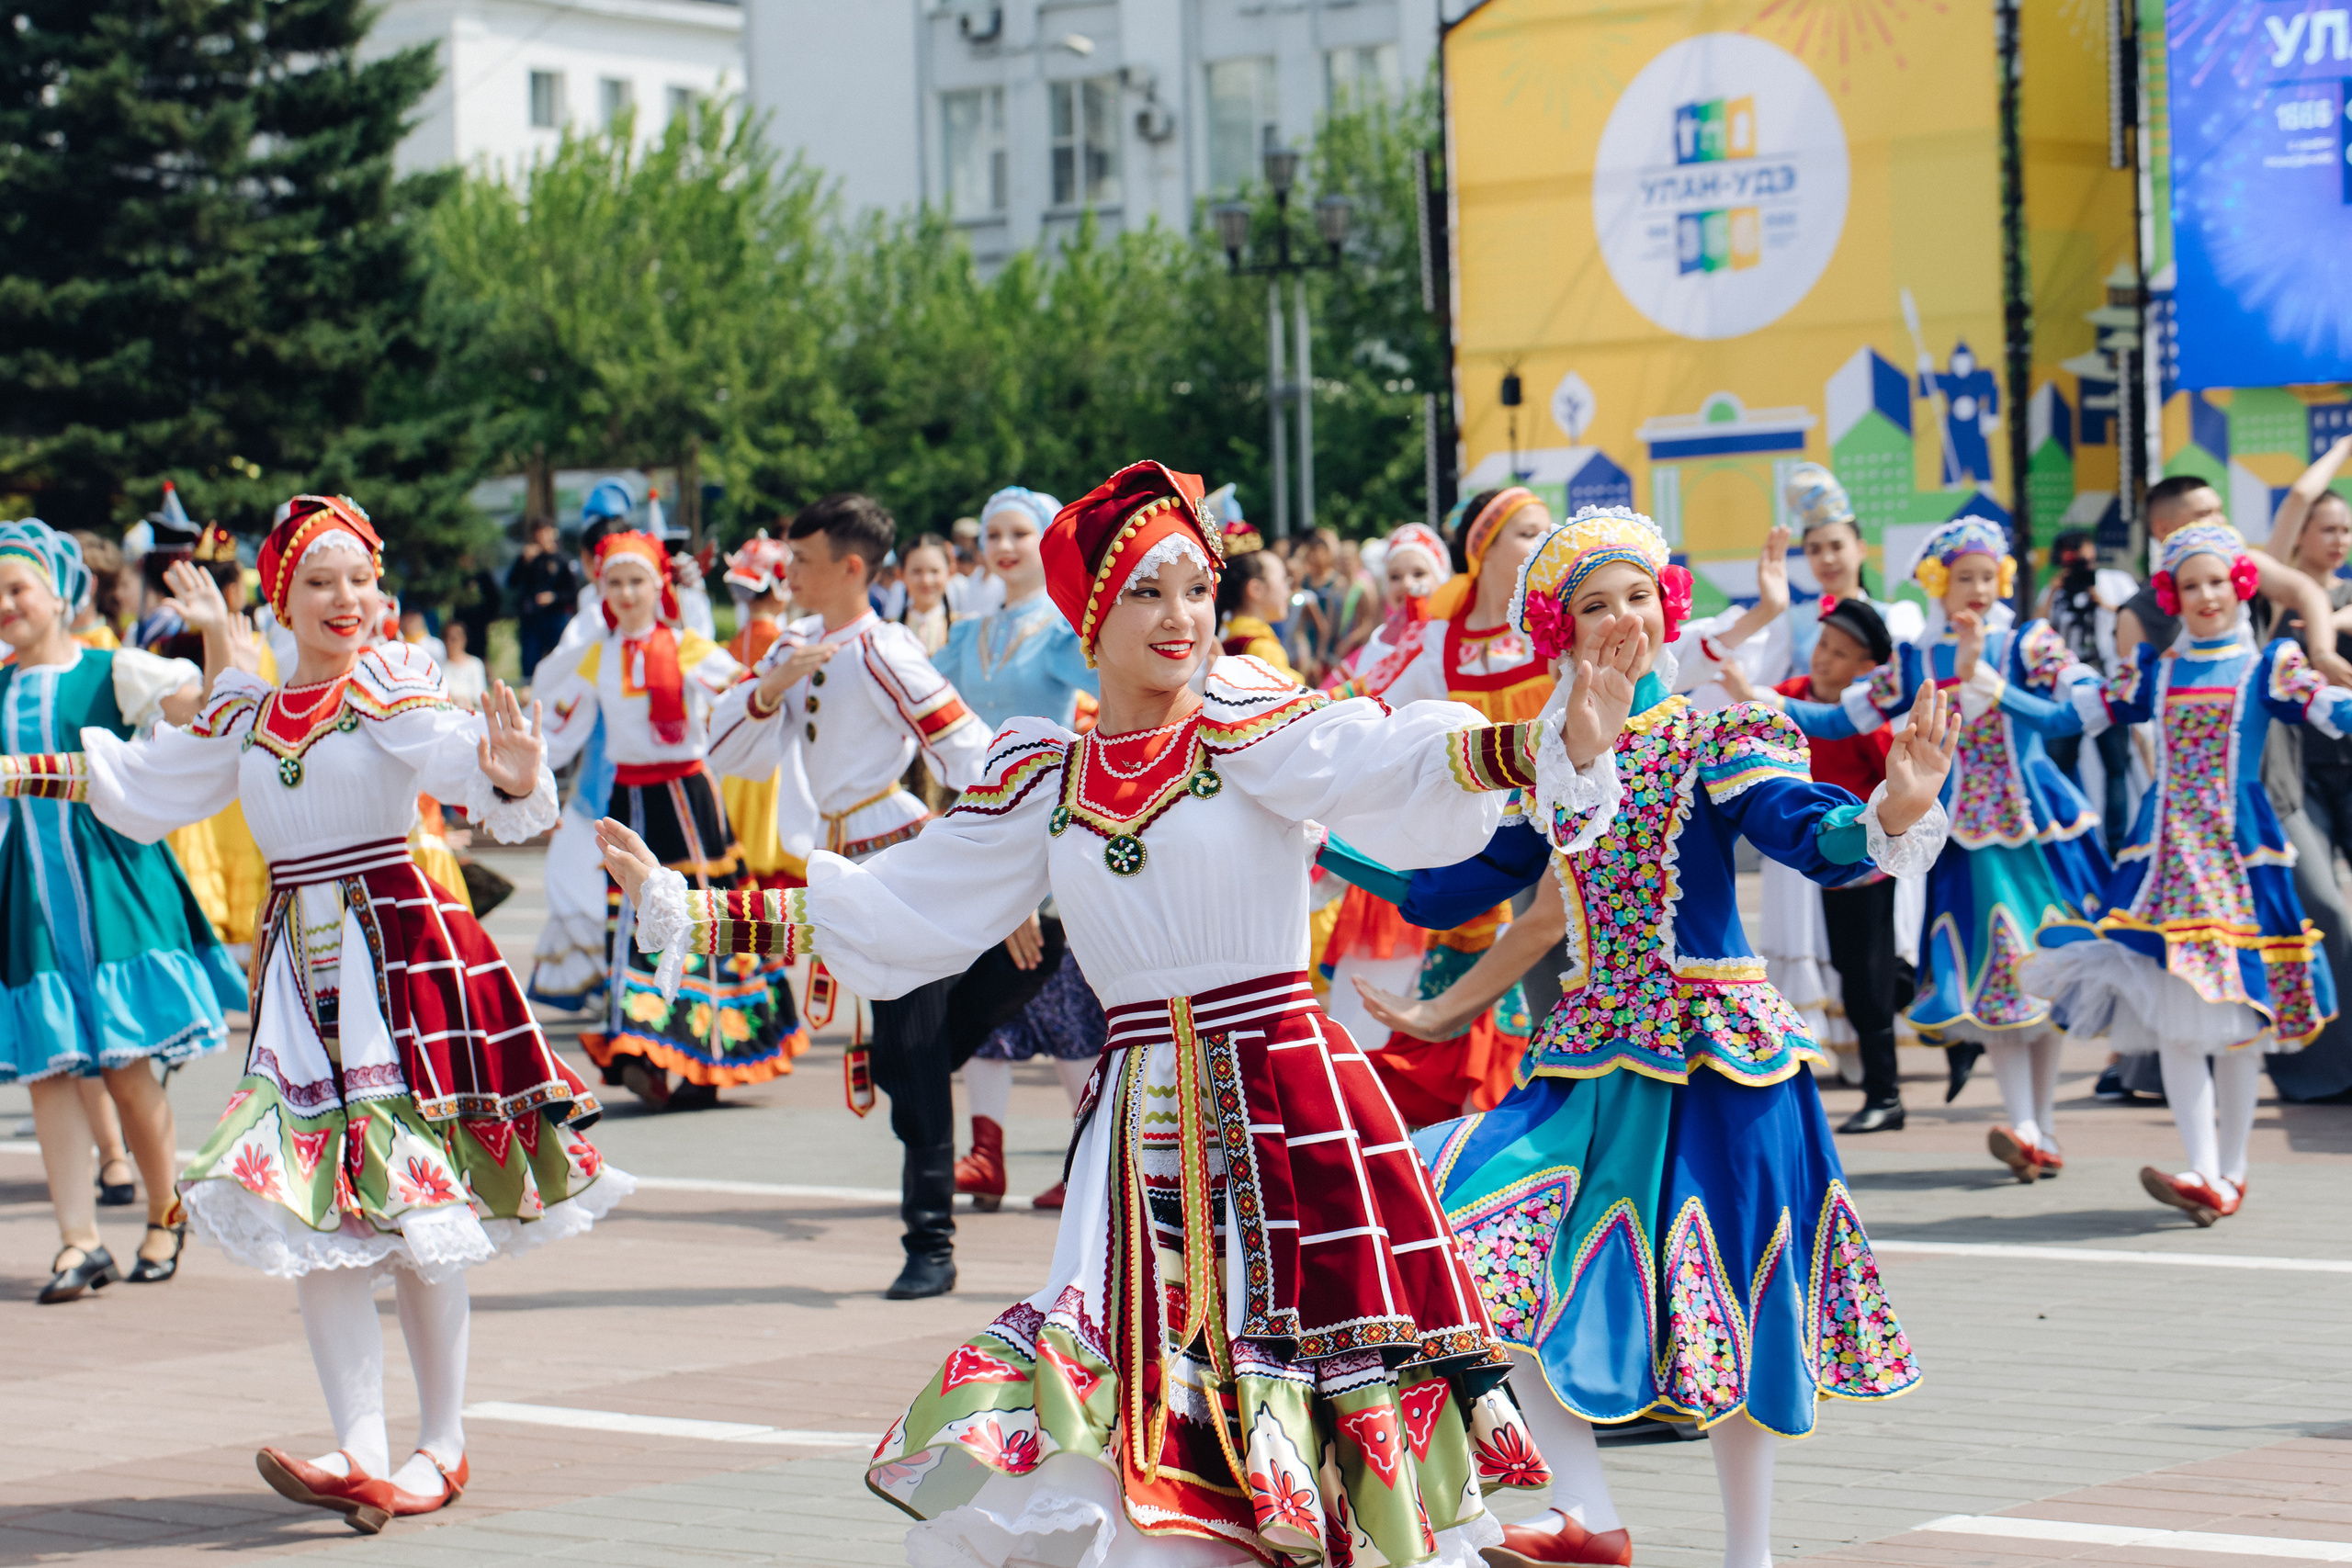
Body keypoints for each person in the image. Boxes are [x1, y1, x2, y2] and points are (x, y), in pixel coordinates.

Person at [603, 458, 1553, 1565]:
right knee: (1135, 1413)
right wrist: (691, 912)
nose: (1182, 616)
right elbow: (895, 908)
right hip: (1135, 1130)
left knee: (1307, 1398)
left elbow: (1388, 759)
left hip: (1290, 1109)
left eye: (1197, 588)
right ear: (1093, 613)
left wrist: (1546, 742)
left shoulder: (1252, 729)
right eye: (1148, 591)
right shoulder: (1044, 781)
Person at [0, 496, 627, 1529]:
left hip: (404, 963)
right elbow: (143, 782)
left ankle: (442, 1445)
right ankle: (361, 1446)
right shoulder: (246, 710)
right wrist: (18, 770)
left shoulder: (393, 688)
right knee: (316, 1205)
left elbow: (469, 768)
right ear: (281, 599)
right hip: (297, 976)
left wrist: (511, 778)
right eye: (322, 582)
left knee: (419, 1208)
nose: (348, 600)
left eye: (362, 580)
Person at [1404, 505, 1953, 1568]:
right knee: (1462, 1239)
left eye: (1636, 597)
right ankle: (1589, 1517)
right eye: (1592, 605)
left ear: (1668, 609)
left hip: (1722, 1059)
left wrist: (1887, 814)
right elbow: (1451, 891)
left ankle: (1744, 1555)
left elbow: (1806, 830)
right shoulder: (1554, 764)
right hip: (1591, 1064)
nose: (1620, 619)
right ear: (1559, 634)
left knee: (1737, 1308)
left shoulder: (1713, 733)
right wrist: (1305, 826)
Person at [705, 492, 991, 1299]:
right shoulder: (798, 646)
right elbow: (728, 750)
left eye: (802, 560)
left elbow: (962, 743)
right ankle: (928, 1222)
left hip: (894, 852)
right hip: (839, 857)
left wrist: (1000, 833)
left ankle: (930, 1242)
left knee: (916, 1049)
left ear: (851, 567)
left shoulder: (882, 649)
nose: (787, 573)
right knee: (909, 1055)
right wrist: (769, 687)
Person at [2021, 522, 2348, 1223]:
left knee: (2238, 1022)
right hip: (2165, 862)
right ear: (2172, 593)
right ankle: (2202, 1167)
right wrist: (1989, 689)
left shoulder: (2270, 664)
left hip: (2236, 859)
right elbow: (2063, 719)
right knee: (2178, 1021)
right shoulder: (2158, 669)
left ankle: (2230, 1172)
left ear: (2240, 586)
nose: (2205, 596)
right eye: (2189, 584)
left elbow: (2333, 710)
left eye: (2215, 582)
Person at [1779, 516, 2110, 1180]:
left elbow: (2085, 707)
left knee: (2043, 977)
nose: (1978, 590)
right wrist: (1758, 704)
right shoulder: (1919, 659)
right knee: (1996, 978)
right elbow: (1844, 716)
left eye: (1989, 577)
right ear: (1937, 582)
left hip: (2035, 829)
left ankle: (2039, 1125)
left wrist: (2003, 690)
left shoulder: (2029, 642)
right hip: (1962, 838)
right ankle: (2022, 1121)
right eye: (1964, 577)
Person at [0, 525, 245, 1303]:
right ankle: (78, 1240)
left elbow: (213, 713)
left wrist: (213, 632)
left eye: (17, 587)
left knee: (127, 1068)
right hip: (30, 890)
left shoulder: (116, 670)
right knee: (48, 1071)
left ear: (59, 594)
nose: (5, 604)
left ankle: (165, 1209)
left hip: (110, 881)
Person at [535, 530, 802, 1109]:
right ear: (600, 588)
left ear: (659, 585)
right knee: (637, 921)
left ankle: (709, 1057)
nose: (627, 593)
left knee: (702, 914)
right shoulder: (593, 655)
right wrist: (517, 773)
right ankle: (642, 1050)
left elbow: (743, 701)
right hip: (632, 800)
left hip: (689, 799)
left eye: (638, 581)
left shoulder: (690, 648)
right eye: (615, 582)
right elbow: (556, 730)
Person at [1363, 488, 1563, 1122]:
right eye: (1528, 531)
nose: (1544, 540)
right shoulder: (1441, 637)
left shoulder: (1557, 620)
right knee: (1544, 996)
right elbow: (1377, 707)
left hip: (1570, 818)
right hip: (1493, 838)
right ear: (1483, 547)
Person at [931, 486, 1104, 1213]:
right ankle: (985, 1153)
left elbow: (1125, 687)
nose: (1003, 546)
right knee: (981, 995)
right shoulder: (967, 636)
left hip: (1046, 826)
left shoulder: (1063, 635)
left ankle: (1090, 1162)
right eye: (993, 534)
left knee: (1062, 1001)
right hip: (980, 830)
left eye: (1019, 533)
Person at [1727, 598, 1910, 1132]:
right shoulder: (1795, 695)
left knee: (1864, 975)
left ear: (1866, 669)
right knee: (1846, 967)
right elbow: (1753, 712)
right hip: (1811, 856)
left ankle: (1887, 1093)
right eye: (1824, 645)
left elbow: (1899, 789)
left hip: (1862, 860)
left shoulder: (1866, 721)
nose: (1825, 658)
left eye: (1840, 652)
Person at [2261, 442, 2352, 1102]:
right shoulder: (2273, 592)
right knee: (2323, 911)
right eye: (2330, 528)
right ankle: (2325, 1071)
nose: (2340, 539)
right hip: (2292, 782)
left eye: (2348, 529)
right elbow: (2295, 498)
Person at [715, 534, 806, 894]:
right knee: (784, 861)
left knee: (746, 860)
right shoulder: (787, 641)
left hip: (738, 763)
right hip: (778, 762)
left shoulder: (731, 644)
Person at [2037, 530, 2135, 854]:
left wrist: (2101, 602)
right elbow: (2035, 633)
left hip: (2107, 686)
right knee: (2059, 765)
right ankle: (2066, 835)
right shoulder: (2055, 591)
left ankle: (2116, 844)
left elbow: (2133, 620)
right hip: (2066, 693)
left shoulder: (2113, 582)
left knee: (2115, 768)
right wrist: (2052, 594)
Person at [1212, 525, 1296, 672]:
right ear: (1256, 589)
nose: (1287, 591)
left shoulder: (1230, 637)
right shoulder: (1262, 648)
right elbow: (1297, 695)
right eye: (1284, 580)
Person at [508, 518, 578, 681]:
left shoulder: (563, 560)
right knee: (530, 662)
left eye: (546, 532)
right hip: (532, 619)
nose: (542, 537)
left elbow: (573, 592)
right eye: (539, 533)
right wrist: (523, 561)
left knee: (559, 660)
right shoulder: (530, 559)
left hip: (556, 617)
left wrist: (554, 597)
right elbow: (512, 582)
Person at [896, 533, 955, 655]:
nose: (926, 581)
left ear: (950, 572)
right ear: (901, 575)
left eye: (934, 571)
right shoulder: (889, 631)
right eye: (916, 572)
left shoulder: (963, 628)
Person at [438, 620, 488, 711]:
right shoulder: (439, 667)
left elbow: (480, 697)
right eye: (446, 638)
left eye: (454, 639)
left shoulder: (475, 664)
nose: (450, 643)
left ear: (464, 639)